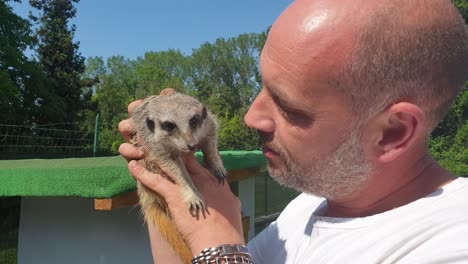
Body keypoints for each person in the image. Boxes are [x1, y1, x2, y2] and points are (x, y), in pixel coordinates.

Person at [118, 0, 468, 263]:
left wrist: (220, 246)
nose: (250, 117)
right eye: (263, 87)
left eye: (287, 106)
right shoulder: (310, 205)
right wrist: (160, 181)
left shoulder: (450, 243)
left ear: (392, 132)